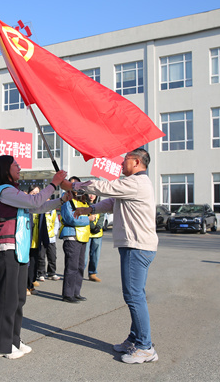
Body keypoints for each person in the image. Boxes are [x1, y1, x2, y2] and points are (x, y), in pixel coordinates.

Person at [68, 148, 159, 364]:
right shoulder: (132, 184)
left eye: (125, 159)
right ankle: (135, 339)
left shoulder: (136, 182)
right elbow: (111, 202)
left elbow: (106, 188)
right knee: (136, 294)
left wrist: (75, 186)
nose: (121, 163)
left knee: (133, 296)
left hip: (136, 247)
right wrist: (89, 210)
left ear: (136, 162)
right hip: (136, 245)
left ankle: (145, 347)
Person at [0, 155, 71, 359]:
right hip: (8, 249)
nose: (19, 167)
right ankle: (2, 346)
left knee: (18, 298)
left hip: (20, 249)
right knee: (8, 299)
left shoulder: (15, 191)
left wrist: (61, 200)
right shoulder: (5, 190)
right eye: (15, 165)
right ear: (5, 169)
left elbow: (38, 207)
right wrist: (53, 183)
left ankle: (14, 340)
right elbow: (34, 200)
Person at [58, 191, 91, 303]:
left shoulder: (85, 204)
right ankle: (68, 294)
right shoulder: (68, 203)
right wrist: (88, 219)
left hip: (83, 238)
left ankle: (76, 292)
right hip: (72, 237)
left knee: (80, 266)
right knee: (72, 266)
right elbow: (71, 219)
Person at [36, 206, 61, 282]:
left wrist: (54, 232)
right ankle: (41, 273)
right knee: (41, 256)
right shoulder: (40, 209)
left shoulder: (53, 211)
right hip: (42, 237)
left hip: (51, 238)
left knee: (52, 256)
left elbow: (56, 223)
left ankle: (52, 273)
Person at [85, 194, 104, 282]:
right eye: (90, 193)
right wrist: (92, 226)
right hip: (87, 234)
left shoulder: (100, 205)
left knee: (95, 256)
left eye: (93, 194)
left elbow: (102, 216)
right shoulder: (84, 204)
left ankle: (92, 273)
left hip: (97, 234)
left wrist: (98, 226)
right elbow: (86, 216)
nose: (92, 196)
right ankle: (79, 273)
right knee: (84, 257)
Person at [27, 185, 41, 295]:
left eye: (37, 193)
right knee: (26, 266)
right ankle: (25, 287)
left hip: (36, 240)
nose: (35, 195)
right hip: (27, 240)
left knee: (33, 264)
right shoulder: (26, 206)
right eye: (33, 193)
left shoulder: (40, 207)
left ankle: (31, 284)